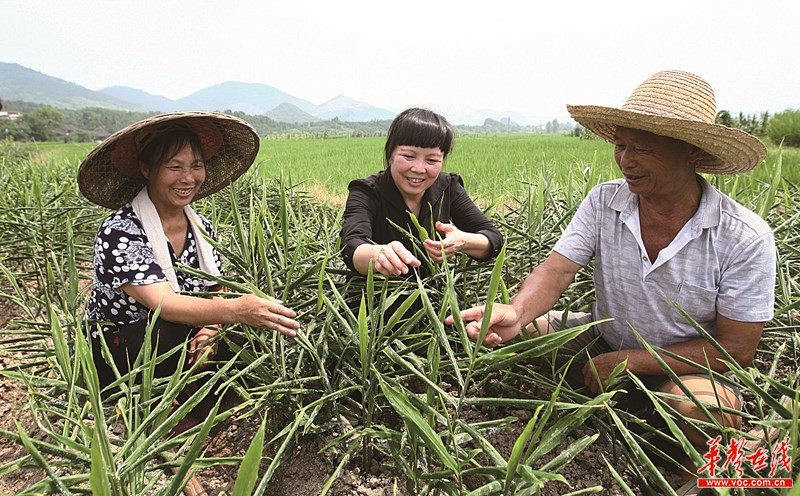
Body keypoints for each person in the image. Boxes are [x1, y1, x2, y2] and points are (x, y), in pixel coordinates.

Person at [447, 71, 776, 445]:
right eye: (620, 145)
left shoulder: (744, 237)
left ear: (693, 152)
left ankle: (687, 473)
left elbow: (736, 349)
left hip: (687, 368)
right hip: (606, 338)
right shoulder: (605, 202)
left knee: (704, 413)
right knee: (516, 332)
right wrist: (517, 312)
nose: (625, 160)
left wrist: (634, 360)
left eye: (642, 148)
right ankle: (612, 403)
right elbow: (557, 270)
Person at [78, 111, 300, 393]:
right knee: (162, 333)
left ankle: (208, 408)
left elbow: (216, 286)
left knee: (247, 334)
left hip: (183, 333)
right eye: (174, 167)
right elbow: (164, 305)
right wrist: (236, 310)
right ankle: (152, 404)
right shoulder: (120, 231)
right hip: (122, 348)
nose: (188, 178)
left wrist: (212, 328)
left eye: (196, 166)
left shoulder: (200, 226)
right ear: (147, 169)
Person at [340, 108, 503, 277]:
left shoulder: (448, 187)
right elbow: (351, 246)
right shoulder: (366, 192)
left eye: (431, 160)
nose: (419, 169)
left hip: (434, 296)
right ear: (390, 155)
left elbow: (493, 238)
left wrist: (462, 242)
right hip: (375, 300)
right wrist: (378, 255)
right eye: (409, 156)